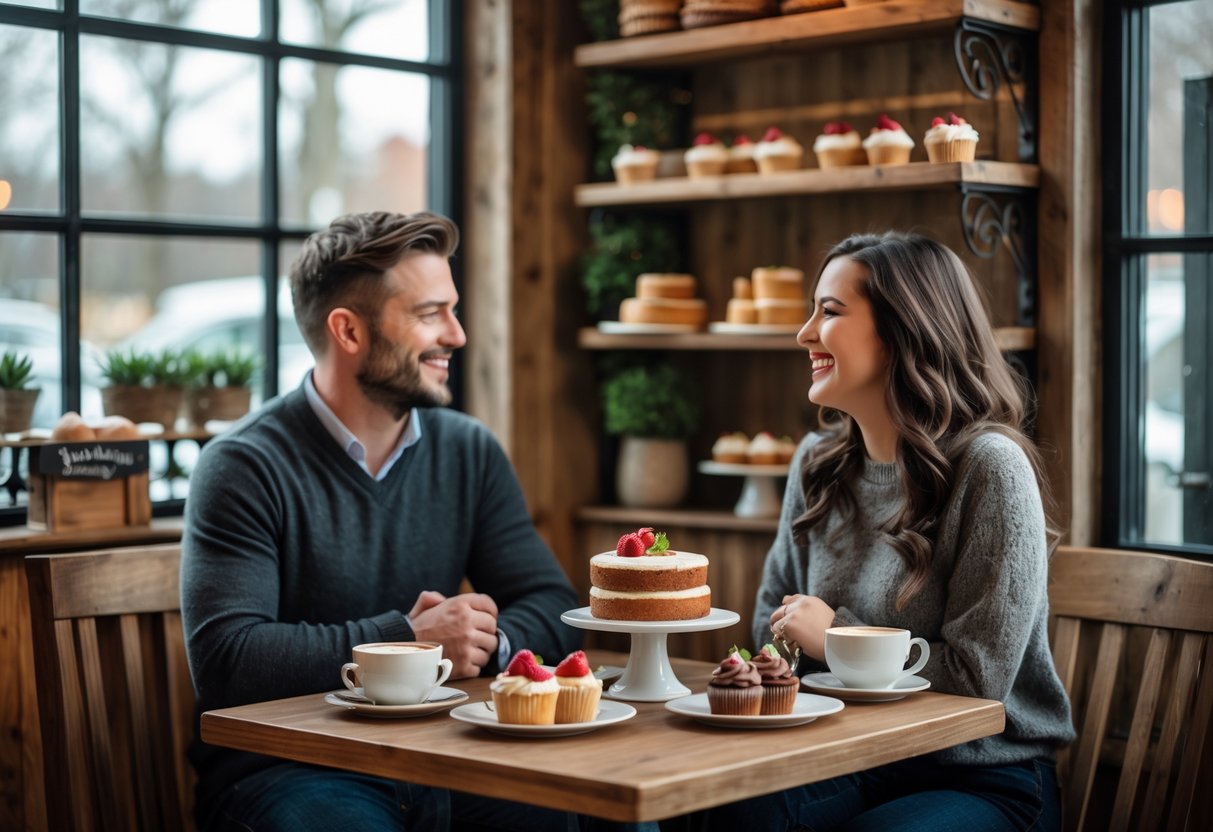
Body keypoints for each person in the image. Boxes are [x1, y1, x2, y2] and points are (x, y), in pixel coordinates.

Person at [181, 211, 641, 831]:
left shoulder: (467, 451)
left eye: (452, 309)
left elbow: (551, 601)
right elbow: (229, 663)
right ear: (347, 330)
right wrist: (410, 643)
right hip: (295, 771)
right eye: (429, 314)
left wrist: (488, 643)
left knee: (612, 809)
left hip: (452, 755)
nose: (456, 334)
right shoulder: (242, 465)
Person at [698, 232, 1075, 831]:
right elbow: (772, 624)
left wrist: (835, 640)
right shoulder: (818, 463)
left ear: (905, 330)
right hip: (841, 756)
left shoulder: (990, 469)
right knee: (722, 807)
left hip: (980, 777)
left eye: (830, 311)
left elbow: (979, 682)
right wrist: (797, 645)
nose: (805, 334)